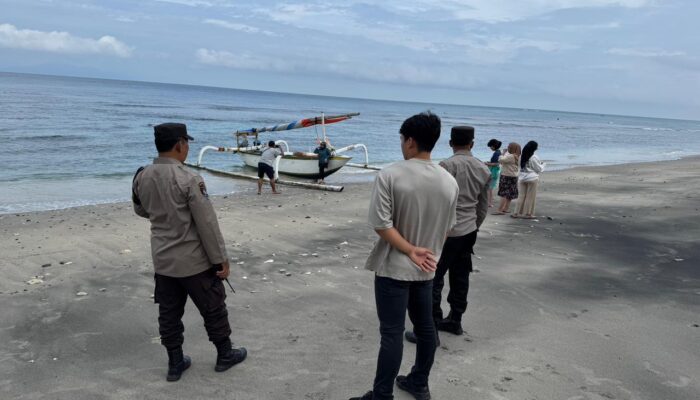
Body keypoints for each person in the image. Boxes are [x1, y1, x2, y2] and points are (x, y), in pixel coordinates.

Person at [349, 112, 459, 400]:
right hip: (427, 268)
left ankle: (382, 394)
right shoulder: (449, 181)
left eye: (402, 139)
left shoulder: (390, 174)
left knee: (392, 333)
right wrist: (425, 251)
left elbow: (381, 224)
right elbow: (447, 228)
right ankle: (419, 382)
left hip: (395, 268)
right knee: (425, 329)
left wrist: (410, 250)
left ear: (410, 141)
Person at [132, 123, 246, 382]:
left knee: (169, 313)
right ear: (179, 144)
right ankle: (224, 355)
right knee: (213, 308)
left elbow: (141, 210)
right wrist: (221, 260)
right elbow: (207, 223)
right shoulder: (188, 178)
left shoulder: (142, 175)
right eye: (187, 143)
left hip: (163, 260)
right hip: (194, 261)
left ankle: (175, 363)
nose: (188, 148)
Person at [404, 126, 490, 345]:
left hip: (447, 231)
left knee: (433, 277)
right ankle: (455, 319)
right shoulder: (483, 168)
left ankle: (430, 327)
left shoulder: (446, 167)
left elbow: (435, 201)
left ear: (451, 143)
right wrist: (475, 225)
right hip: (469, 228)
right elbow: (484, 205)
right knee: (461, 275)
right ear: (472, 143)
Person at [513, 140, 545, 219]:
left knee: (521, 195)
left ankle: (516, 213)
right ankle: (528, 214)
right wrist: (543, 165)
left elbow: (520, 166)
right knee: (530, 196)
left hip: (522, 177)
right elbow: (538, 169)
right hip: (532, 178)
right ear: (535, 148)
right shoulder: (534, 157)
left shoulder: (521, 156)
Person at [494, 142, 521, 215]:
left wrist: (503, 153)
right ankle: (505, 208)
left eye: (509, 147)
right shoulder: (518, 156)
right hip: (514, 176)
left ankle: (500, 210)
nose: (508, 148)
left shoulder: (511, 156)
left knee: (503, 193)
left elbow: (500, 160)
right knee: (510, 193)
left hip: (506, 175)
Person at [484, 139, 502, 207]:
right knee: (490, 188)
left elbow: (496, 163)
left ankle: (489, 203)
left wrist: (486, 163)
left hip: (493, 171)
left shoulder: (496, 153)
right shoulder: (498, 152)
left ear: (493, 146)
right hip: (495, 171)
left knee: (489, 188)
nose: (490, 148)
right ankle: (489, 202)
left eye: (490, 146)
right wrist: (489, 163)